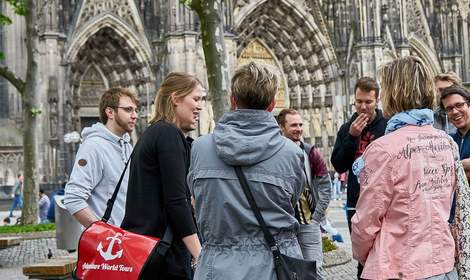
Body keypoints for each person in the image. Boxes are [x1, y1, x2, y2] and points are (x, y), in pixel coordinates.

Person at [188, 61, 306, 280]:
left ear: (233, 99)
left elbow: (196, 198)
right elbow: (293, 201)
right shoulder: (293, 154)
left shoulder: (199, 148)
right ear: (272, 105)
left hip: (216, 269)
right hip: (274, 268)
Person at [351, 56, 458, 280]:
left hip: (398, 266)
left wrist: (364, 256)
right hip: (443, 265)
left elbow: (366, 222)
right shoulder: (447, 142)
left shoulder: (383, 149)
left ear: (392, 93)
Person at [121, 72, 202, 279]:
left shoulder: (153, 133)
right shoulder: (168, 134)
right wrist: (199, 255)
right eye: (196, 99)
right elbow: (176, 201)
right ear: (175, 99)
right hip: (163, 255)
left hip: (147, 251)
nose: (200, 106)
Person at [331, 77, 387, 278]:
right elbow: (338, 164)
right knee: (362, 261)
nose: (363, 107)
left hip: (384, 204)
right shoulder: (347, 128)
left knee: (384, 257)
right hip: (356, 203)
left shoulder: (387, 126)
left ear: (377, 100)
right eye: (359, 101)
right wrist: (352, 136)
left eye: (368, 102)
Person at [64, 87, 138, 228]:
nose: (135, 115)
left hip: (125, 239)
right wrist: (103, 232)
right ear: (110, 112)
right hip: (104, 245)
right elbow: (73, 198)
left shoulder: (127, 145)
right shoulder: (93, 146)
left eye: (135, 110)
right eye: (128, 110)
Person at [278, 108, 332, 279]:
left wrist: (317, 216)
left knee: (314, 271)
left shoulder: (310, 152)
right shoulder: (273, 154)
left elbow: (325, 185)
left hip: (308, 222)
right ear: (281, 127)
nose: (299, 129)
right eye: (293, 125)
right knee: (287, 273)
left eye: (300, 124)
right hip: (283, 225)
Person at [440, 85, 470, 205]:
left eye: (459, 105)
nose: (455, 111)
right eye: (449, 108)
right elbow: (441, 178)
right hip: (456, 215)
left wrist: (449, 167)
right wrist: (463, 165)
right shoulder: (448, 140)